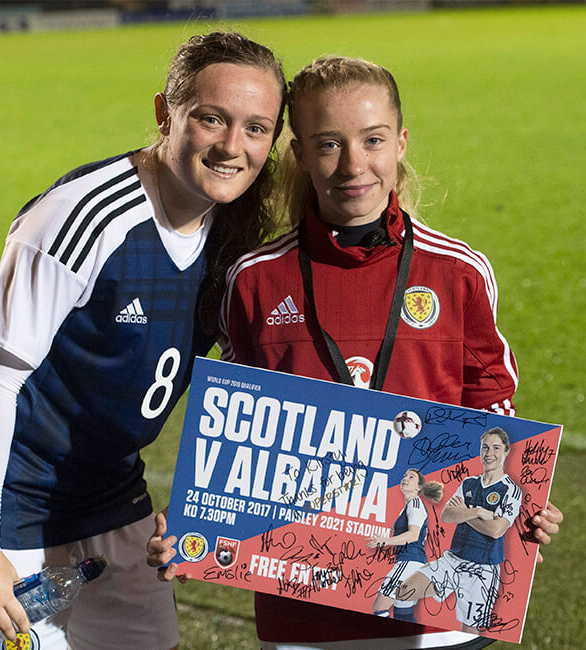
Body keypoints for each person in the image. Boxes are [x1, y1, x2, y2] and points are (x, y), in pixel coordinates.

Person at [149, 55, 562, 649]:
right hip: (304, 611)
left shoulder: (459, 272)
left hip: (439, 612)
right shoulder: (255, 280)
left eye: (372, 140)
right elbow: (235, 436)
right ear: (298, 154)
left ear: (400, 142)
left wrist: (526, 504)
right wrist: (194, 522)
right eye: (328, 144)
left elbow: (494, 418)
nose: (353, 165)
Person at [0, 32, 286, 650]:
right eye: (211, 119)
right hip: (10, 498)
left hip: (113, 493)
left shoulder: (237, 238)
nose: (232, 146)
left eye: (256, 128)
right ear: (165, 113)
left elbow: (252, 394)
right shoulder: (86, 214)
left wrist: (208, 507)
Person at [394, 428, 521, 634]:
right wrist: (477, 512)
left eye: (496, 448)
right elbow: (447, 515)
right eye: (485, 447)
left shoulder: (510, 490)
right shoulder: (468, 482)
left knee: (468, 633)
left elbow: (496, 530)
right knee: (404, 591)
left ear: (506, 451)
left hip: (482, 570)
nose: (489, 453)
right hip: (452, 560)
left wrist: (464, 513)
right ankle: (406, 642)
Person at [366, 469, 444, 622]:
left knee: (379, 606)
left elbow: (413, 535)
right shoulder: (410, 506)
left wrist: (386, 540)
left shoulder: (415, 504)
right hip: (413, 561)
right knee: (403, 612)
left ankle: (438, 586)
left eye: (411, 477)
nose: (405, 479)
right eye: (404, 476)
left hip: (409, 561)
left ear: (418, 487)